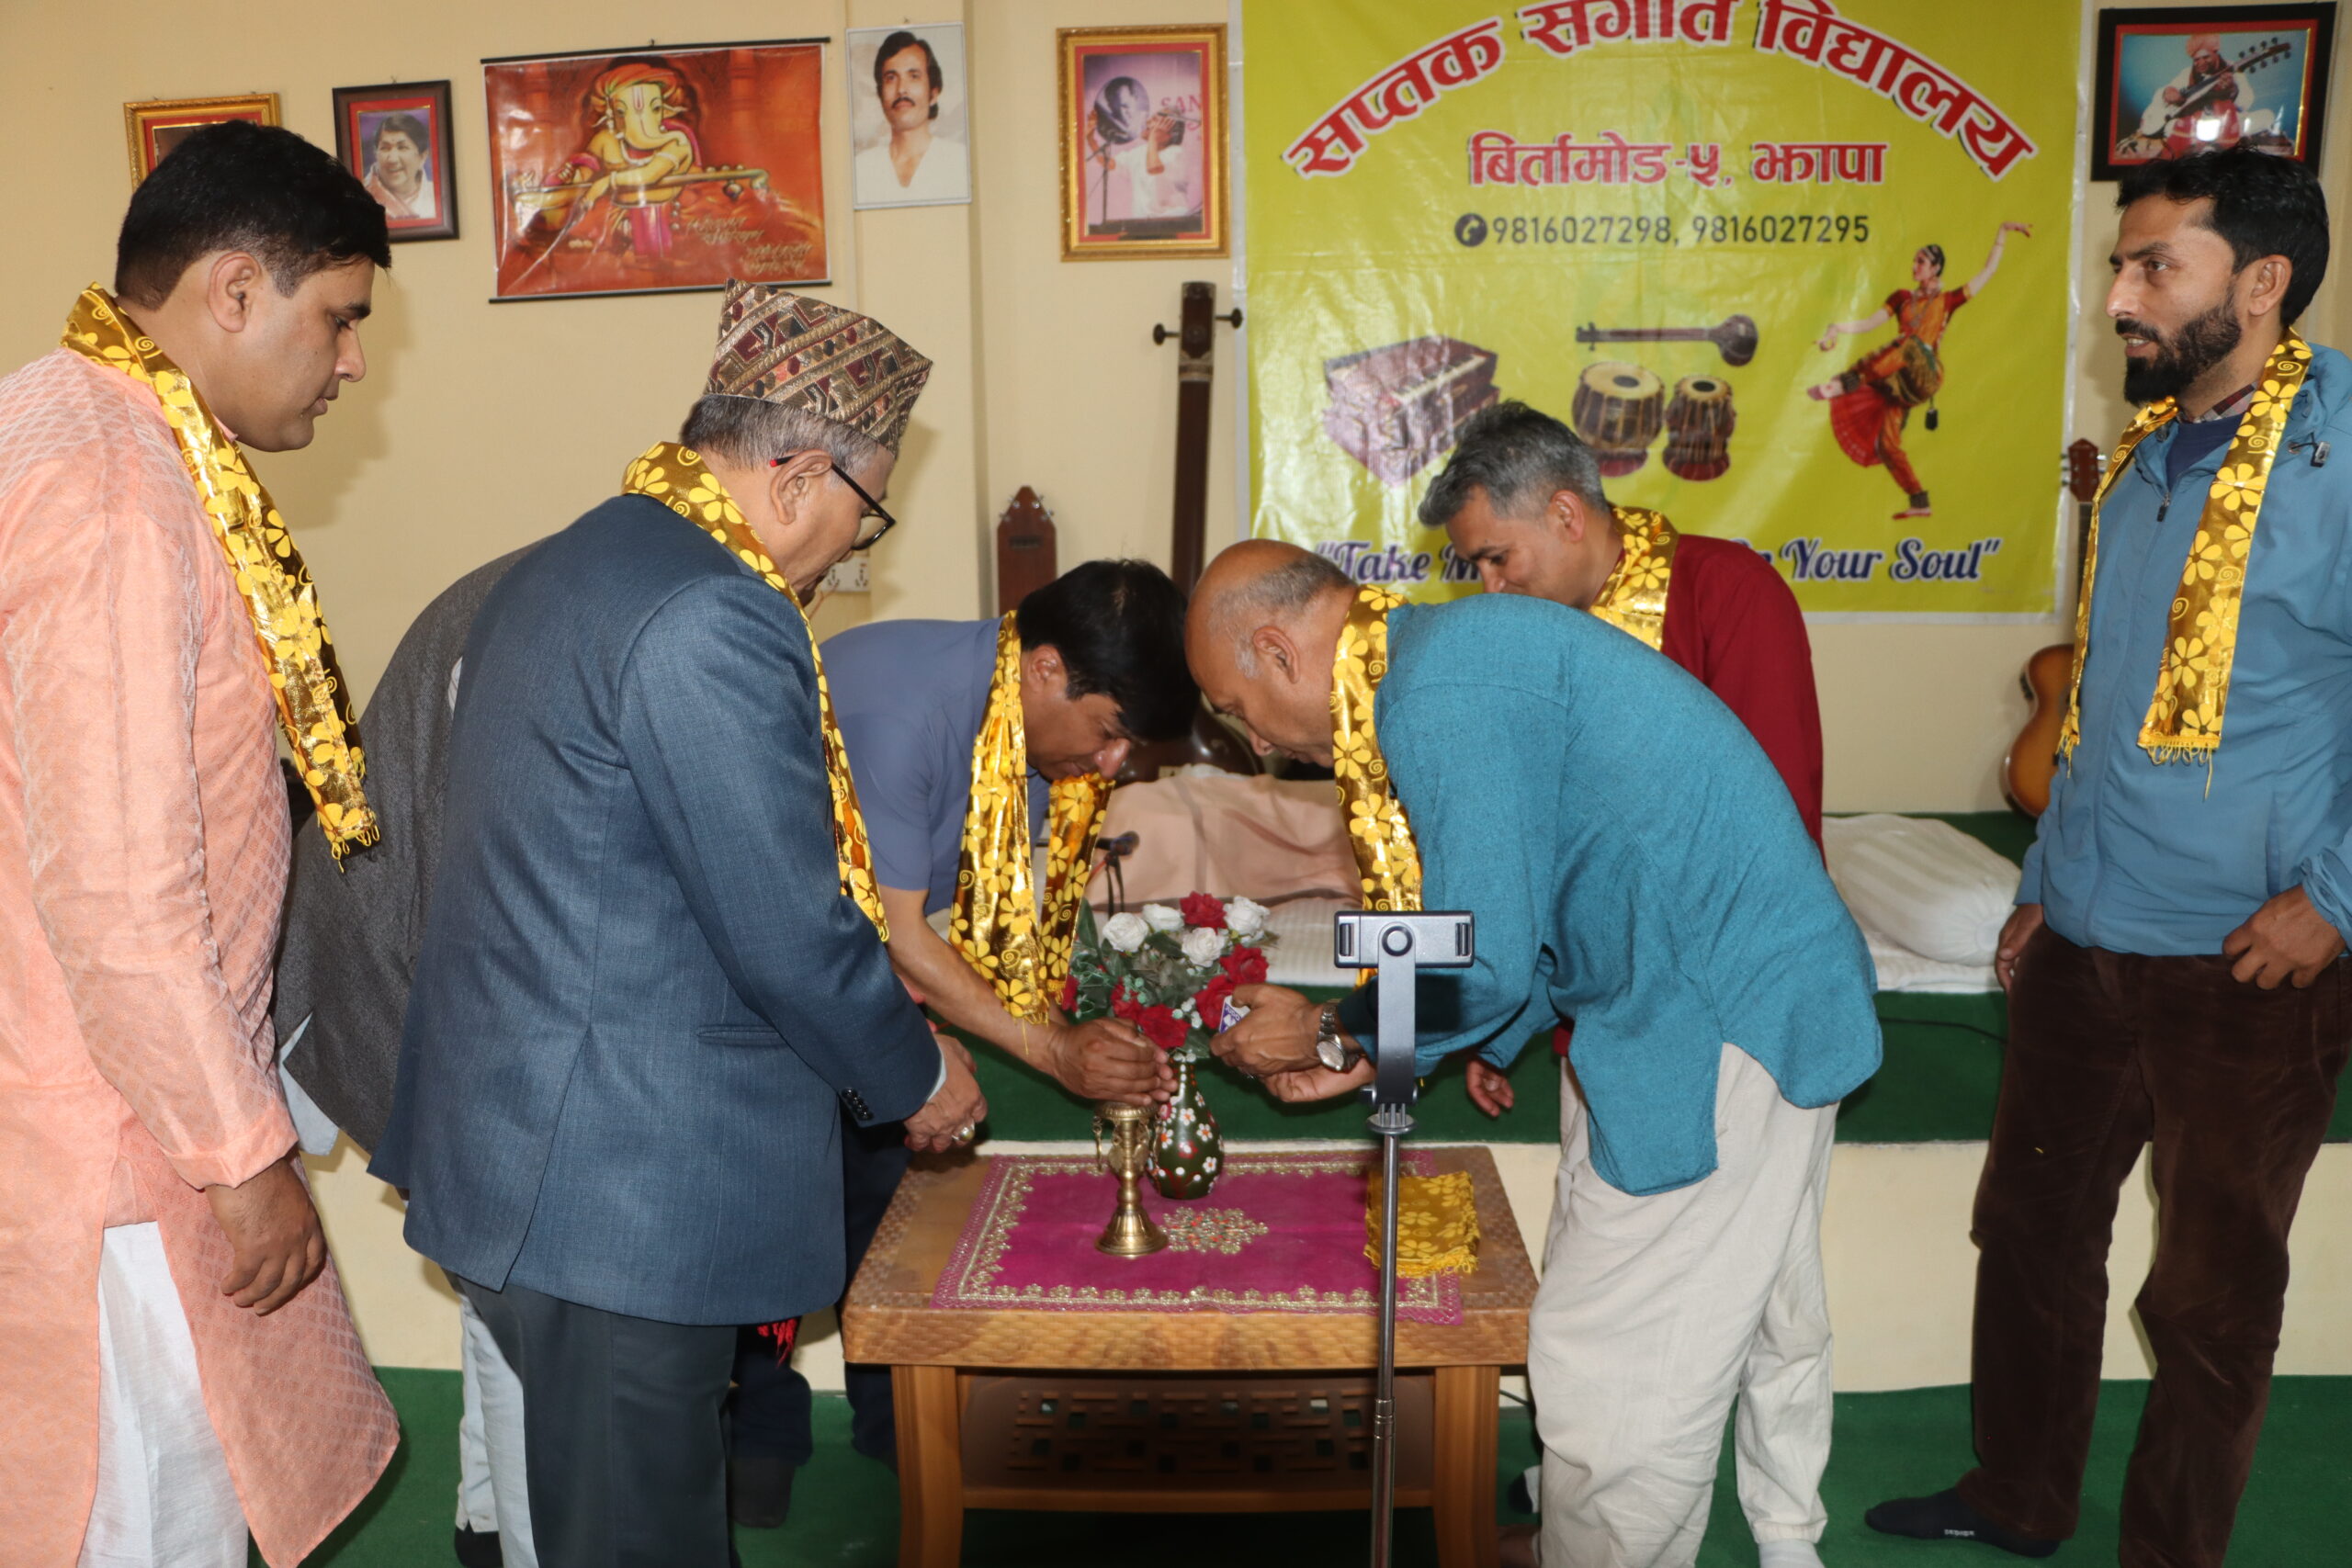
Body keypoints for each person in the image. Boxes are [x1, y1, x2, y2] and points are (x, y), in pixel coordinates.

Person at [372, 283, 987, 1567]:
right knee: (636, 1541)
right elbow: (785, 923)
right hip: (620, 1183)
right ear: (799, 476)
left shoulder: (581, 557)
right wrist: (918, 1074)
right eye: (867, 516)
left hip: (534, 1146)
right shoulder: (713, 608)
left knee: (615, 1524)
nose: (852, 551)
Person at [1193, 542, 1881, 1568]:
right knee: (1753, 1300)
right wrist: (1467, 1035)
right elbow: (1552, 881)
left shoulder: (1435, 693)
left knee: (1612, 1363)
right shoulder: (1442, 655)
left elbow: (1482, 953)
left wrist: (1333, 1031)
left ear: (1278, 650)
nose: (1255, 743)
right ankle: (1755, 1540)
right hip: (1726, 987)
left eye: (1236, 709)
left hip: (1710, 1017)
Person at [1867, 148, 2345, 1568]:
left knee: (2207, 1292)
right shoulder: (2143, 457)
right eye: (2120, 266)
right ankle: (2017, 1492)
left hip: (2251, 959)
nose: (2121, 298)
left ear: (2261, 282)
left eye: (2154, 267)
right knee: (2029, 1226)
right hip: (2086, 936)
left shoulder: (2340, 454)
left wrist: (2337, 899)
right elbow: (2105, 702)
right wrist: (2044, 882)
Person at [0, 120, 399, 1568]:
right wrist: (244, 1156)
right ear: (234, 290)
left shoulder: (57, 416)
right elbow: (116, 888)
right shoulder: (115, 484)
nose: (351, 361)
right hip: (113, 1147)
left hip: (77, 1094)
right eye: (337, 317)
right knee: (140, 1521)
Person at [1422, 399, 1826, 1559]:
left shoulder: (1725, 591)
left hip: (1737, 1015)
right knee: (1639, 1284)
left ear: (1565, 513)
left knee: (1766, 1297)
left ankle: (1785, 1525)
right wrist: (1508, 1026)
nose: (1487, 588)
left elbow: (1770, 827)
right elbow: (1543, 862)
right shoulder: (1525, 642)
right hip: (1612, 1020)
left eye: (1495, 558)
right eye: (1470, 569)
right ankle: (1582, 1486)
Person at [726, 559, 1194, 1524]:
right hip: (749, 984)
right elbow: (895, 932)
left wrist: (938, 1039)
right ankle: (757, 1434)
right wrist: (1044, 1050)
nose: (1113, 765)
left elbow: (954, 920)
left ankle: (894, 1418)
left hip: (849, 968)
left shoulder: (1022, 737)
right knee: (773, 1213)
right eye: (1110, 733)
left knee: (882, 1197)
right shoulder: (906, 711)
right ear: (1047, 669)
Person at [276, 548, 538, 1568]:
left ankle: (488, 1527)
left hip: (397, 971)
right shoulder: (565, 607)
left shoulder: (536, 587)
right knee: (518, 1313)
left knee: (497, 1299)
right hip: (376, 974)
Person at [1809, 221, 2032, 519]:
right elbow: (1870, 323)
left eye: (1921, 262)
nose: (1915, 266)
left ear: (1935, 268)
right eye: (1914, 261)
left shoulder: (1947, 301)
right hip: (1897, 378)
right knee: (1887, 445)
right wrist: (1837, 327)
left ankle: (1844, 383)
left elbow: (1987, 272)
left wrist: (2002, 234)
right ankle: (1919, 501)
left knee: (1911, 344)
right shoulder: (1902, 298)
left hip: (1925, 374)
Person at [852, 29, 968, 203]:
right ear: (880, 95)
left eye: (914, 76)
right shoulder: (860, 168)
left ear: (933, 94)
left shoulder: (960, 162)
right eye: (891, 78)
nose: (901, 89)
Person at [363, 110, 439, 223]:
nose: (392, 159)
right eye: (385, 148)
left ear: (422, 156)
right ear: (376, 154)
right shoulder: (362, 196)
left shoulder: (437, 196)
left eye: (402, 147)